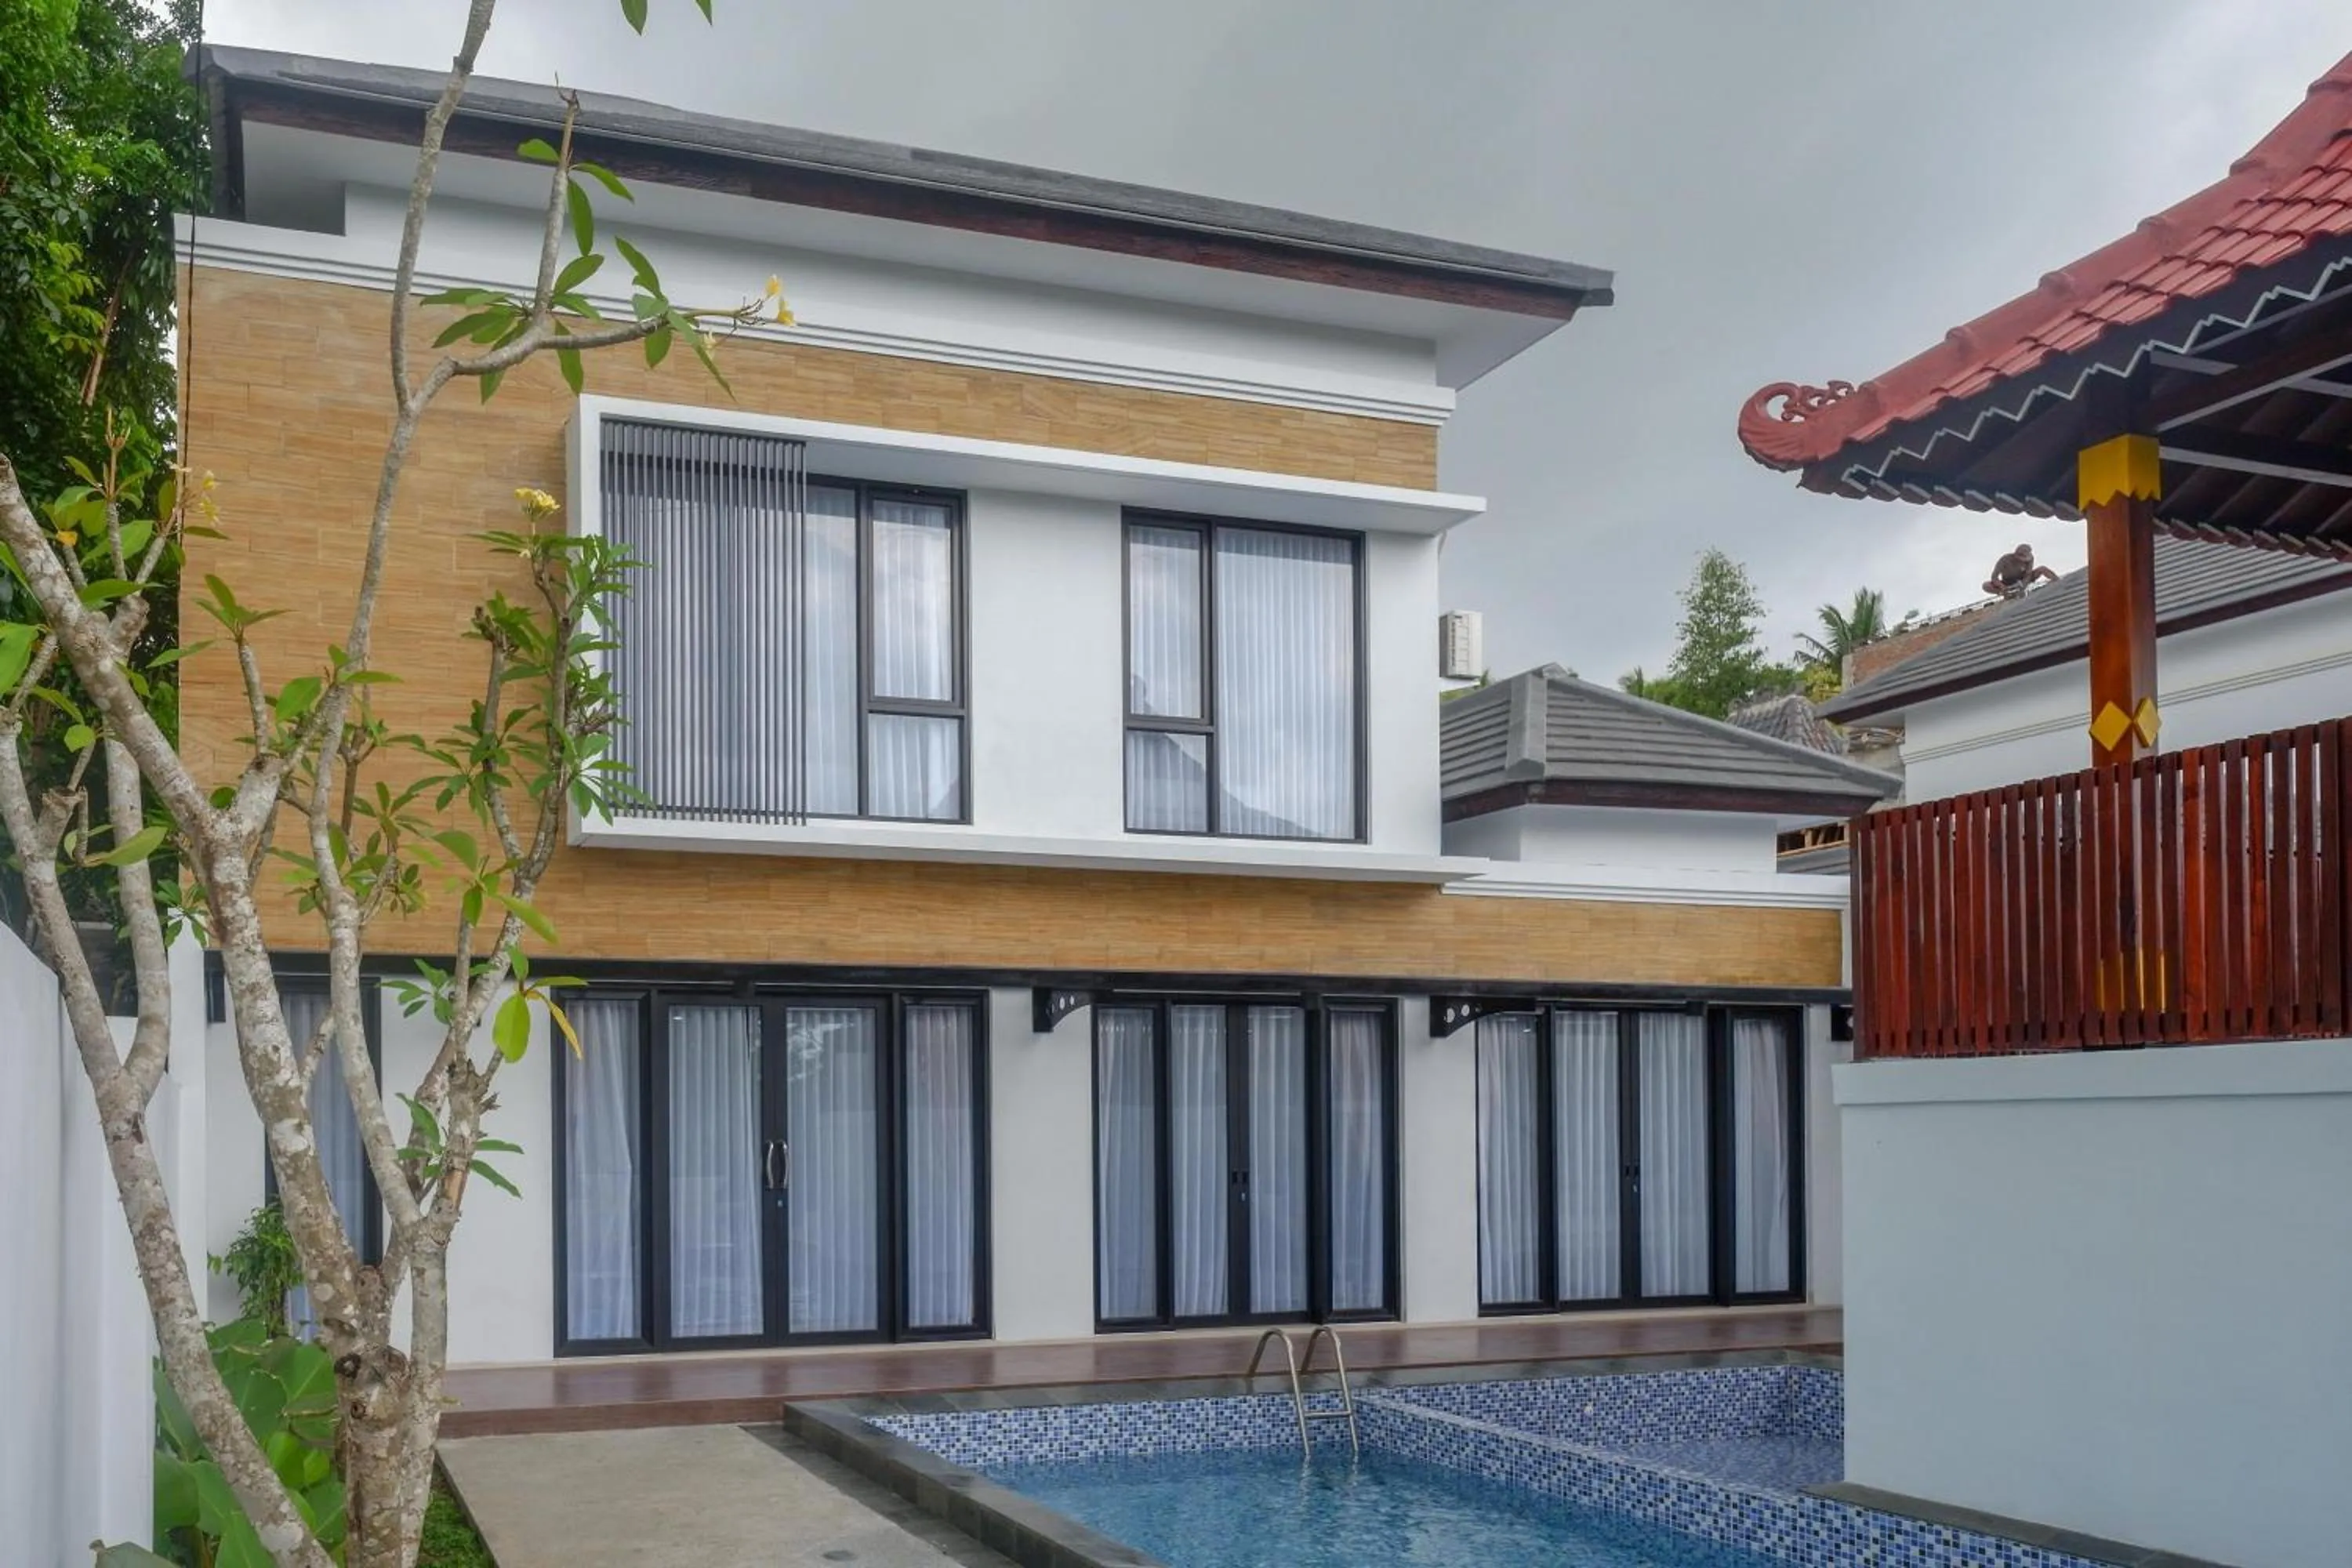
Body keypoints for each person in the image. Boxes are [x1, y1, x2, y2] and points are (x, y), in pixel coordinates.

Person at [1984, 543, 2059, 598]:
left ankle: (2057, 581)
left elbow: (2028, 574)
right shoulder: (2005, 559)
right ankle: (2009, 595)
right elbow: (1994, 577)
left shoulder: (2030, 559)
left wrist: (2023, 586)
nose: (2023, 562)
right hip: (2008, 582)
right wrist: (2003, 588)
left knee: (2042, 569)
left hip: (2023, 579)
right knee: (1986, 585)